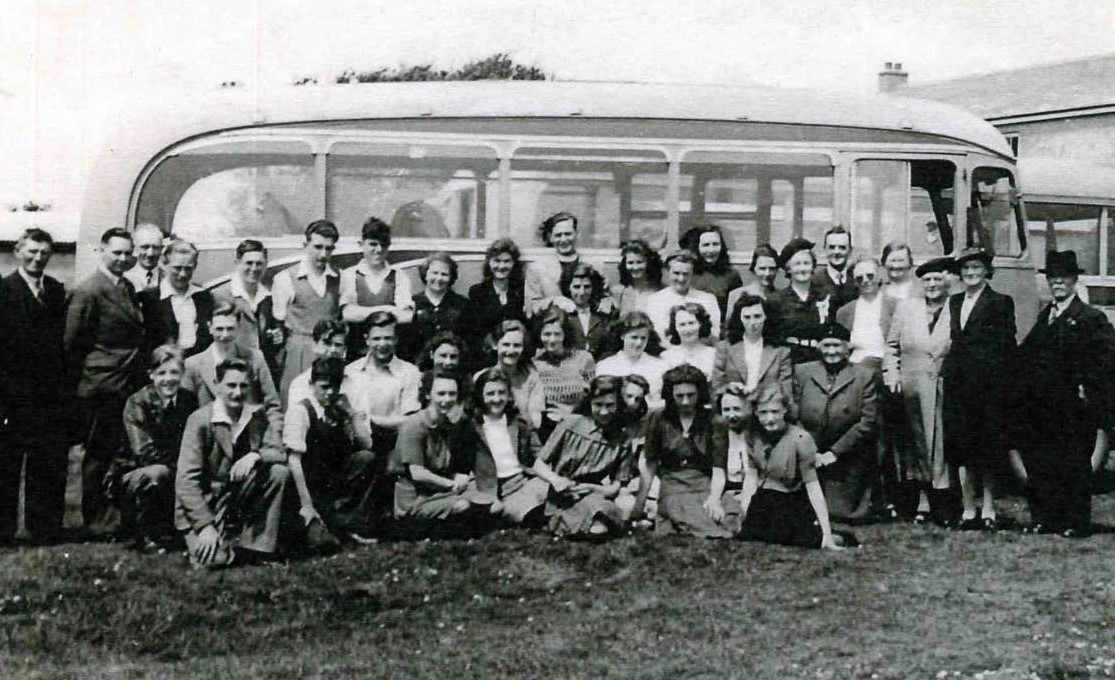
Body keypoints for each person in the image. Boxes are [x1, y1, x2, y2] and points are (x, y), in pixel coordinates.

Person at [1011, 250, 1115, 538]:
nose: (1057, 283)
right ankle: (1045, 519)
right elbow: (1026, 355)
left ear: (1074, 280)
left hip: (1073, 405)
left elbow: (1105, 359)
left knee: (1073, 464)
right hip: (1042, 405)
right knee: (1043, 462)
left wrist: (1088, 389)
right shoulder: (1046, 316)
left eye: (1063, 278)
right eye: (1052, 278)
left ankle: (1076, 522)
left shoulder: (1090, 317)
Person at [65, 227, 146, 536]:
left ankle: (118, 516)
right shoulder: (88, 290)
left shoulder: (125, 286)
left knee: (121, 453)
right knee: (99, 455)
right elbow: (72, 344)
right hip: (101, 385)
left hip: (126, 382)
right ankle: (96, 520)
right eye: (117, 252)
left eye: (128, 253)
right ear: (102, 251)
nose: (123, 258)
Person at [175, 358, 290, 568]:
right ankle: (226, 545)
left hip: (236, 498)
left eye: (243, 386)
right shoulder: (200, 420)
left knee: (278, 472)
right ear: (217, 385)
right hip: (206, 503)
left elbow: (279, 452)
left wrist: (256, 455)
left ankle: (257, 548)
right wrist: (204, 526)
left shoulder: (257, 416)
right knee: (213, 561)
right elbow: (186, 481)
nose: (237, 392)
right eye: (231, 385)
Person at [0, 228, 70, 545]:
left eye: (44, 253)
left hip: (50, 396)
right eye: (31, 251)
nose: (37, 258)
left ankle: (44, 529)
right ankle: (3, 532)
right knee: (7, 465)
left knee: (48, 462)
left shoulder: (56, 291)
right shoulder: (4, 291)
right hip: (12, 396)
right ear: (18, 251)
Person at [942, 246, 1016, 531]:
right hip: (959, 385)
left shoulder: (1000, 302)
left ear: (986, 271)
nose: (971, 273)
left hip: (987, 386)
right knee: (962, 449)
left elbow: (1007, 344)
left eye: (976, 268)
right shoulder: (955, 301)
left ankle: (988, 507)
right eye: (966, 269)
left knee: (987, 449)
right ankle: (968, 507)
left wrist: (998, 379)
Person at [885, 257, 955, 524]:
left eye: (938, 279)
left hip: (943, 386)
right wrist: (892, 374)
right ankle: (922, 500)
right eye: (927, 280)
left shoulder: (955, 307)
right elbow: (891, 347)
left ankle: (944, 500)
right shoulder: (907, 308)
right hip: (911, 388)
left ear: (946, 281)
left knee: (942, 445)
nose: (933, 285)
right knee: (916, 445)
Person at [635, 364, 740, 538]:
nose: (685, 401)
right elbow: (650, 465)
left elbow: (718, 468)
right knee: (691, 513)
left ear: (700, 393)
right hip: (673, 487)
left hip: (703, 485)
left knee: (729, 513)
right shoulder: (658, 418)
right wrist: (638, 507)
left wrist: (714, 499)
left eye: (690, 395)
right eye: (679, 396)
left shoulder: (716, 421)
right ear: (670, 395)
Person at [737, 384, 845, 550]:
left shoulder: (800, 437)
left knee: (797, 539)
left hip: (791, 499)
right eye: (763, 413)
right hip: (763, 498)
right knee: (749, 536)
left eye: (775, 412)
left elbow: (813, 486)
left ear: (785, 411)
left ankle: (834, 536)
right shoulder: (752, 435)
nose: (769, 418)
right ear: (755, 413)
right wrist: (744, 510)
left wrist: (827, 533)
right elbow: (751, 476)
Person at [284, 357, 376, 551]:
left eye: (335, 386)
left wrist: (351, 413)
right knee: (324, 545)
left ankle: (347, 525)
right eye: (324, 387)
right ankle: (317, 526)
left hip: (331, 486)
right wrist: (306, 504)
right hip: (306, 488)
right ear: (311, 384)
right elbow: (294, 461)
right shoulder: (301, 411)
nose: (330, 392)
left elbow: (367, 444)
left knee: (366, 458)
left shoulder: (338, 408)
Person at [836, 256, 901, 520]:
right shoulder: (845, 311)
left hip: (884, 377)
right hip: (855, 378)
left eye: (870, 276)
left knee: (884, 441)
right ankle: (857, 499)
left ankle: (887, 499)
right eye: (859, 278)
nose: (865, 282)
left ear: (880, 276)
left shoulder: (895, 306)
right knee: (859, 438)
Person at [530, 376, 636, 538]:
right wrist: (557, 481)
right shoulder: (571, 424)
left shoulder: (622, 437)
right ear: (589, 403)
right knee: (597, 528)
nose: (604, 412)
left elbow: (617, 485)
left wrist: (593, 488)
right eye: (598, 405)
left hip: (595, 493)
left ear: (619, 405)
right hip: (563, 493)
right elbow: (539, 465)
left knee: (603, 520)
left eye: (610, 405)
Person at [793, 323, 879, 521]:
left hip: (847, 452)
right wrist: (808, 448)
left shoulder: (864, 375)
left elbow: (868, 421)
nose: (831, 352)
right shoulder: (802, 372)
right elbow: (794, 414)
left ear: (847, 347)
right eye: (826, 346)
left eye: (837, 346)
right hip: (810, 449)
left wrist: (834, 453)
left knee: (841, 512)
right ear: (819, 347)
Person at [120, 345, 199, 550]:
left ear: (182, 373)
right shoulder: (137, 402)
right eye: (162, 373)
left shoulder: (188, 400)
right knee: (156, 474)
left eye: (174, 372)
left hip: (176, 468)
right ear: (151, 375)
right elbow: (144, 452)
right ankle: (147, 535)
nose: (168, 379)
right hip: (136, 471)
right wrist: (181, 468)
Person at [393, 371, 480, 521]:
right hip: (417, 498)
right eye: (441, 393)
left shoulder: (449, 425)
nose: (447, 399)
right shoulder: (413, 425)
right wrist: (451, 484)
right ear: (427, 395)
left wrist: (461, 477)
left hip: (442, 490)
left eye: (452, 394)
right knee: (465, 505)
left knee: (487, 497)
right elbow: (417, 473)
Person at [272, 220, 342, 403]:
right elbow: (278, 321)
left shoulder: (340, 277)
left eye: (329, 248)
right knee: (296, 404)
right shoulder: (285, 278)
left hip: (330, 352)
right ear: (305, 245)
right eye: (317, 247)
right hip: (299, 353)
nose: (323, 254)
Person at [182, 302, 283, 427]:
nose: (225, 335)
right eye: (219, 329)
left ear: (239, 327)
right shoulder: (193, 365)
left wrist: (273, 440)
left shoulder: (255, 358)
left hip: (250, 436)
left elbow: (273, 405)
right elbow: (186, 413)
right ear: (209, 327)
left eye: (230, 329)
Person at [470, 367, 549, 524]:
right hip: (491, 486)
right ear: (480, 396)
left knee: (556, 494)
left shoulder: (519, 421)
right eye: (490, 394)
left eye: (501, 393)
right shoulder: (471, 426)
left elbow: (538, 454)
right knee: (530, 515)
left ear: (509, 394)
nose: (497, 399)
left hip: (522, 480)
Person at [341, 310, 422, 459]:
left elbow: (411, 420)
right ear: (367, 340)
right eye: (376, 338)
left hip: (393, 446)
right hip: (354, 446)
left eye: (388, 338)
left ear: (396, 339)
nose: (382, 344)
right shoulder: (350, 371)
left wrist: (372, 421)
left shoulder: (409, 372)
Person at [340, 217, 416, 359]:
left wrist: (362, 312)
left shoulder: (399, 276)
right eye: (373, 244)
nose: (379, 250)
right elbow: (348, 314)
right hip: (356, 353)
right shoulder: (349, 275)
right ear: (361, 244)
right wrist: (388, 309)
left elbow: (406, 316)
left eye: (384, 244)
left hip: (389, 353)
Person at [524, 211, 613, 318]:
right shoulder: (537, 269)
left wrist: (607, 302)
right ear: (551, 237)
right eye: (558, 235)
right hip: (553, 328)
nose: (563, 239)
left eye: (568, 234)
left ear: (576, 234)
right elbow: (530, 308)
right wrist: (554, 300)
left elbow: (606, 297)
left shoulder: (595, 265)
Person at [138, 239, 216, 358]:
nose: (183, 274)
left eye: (188, 268)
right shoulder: (148, 299)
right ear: (164, 265)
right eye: (177, 268)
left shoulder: (203, 297)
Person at [223, 239, 284, 385]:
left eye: (259, 264)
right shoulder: (221, 295)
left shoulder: (268, 297)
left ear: (266, 265)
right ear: (237, 263)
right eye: (249, 263)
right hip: (231, 373)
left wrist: (277, 336)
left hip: (262, 373)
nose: (254, 268)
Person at [712, 292, 792, 401]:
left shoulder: (781, 351)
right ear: (739, 319)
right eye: (747, 317)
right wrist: (730, 388)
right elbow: (716, 387)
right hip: (735, 407)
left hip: (768, 408)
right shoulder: (724, 348)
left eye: (757, 316)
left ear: (766, 317)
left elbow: (785, 391)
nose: (752, 322)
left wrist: (758, 394)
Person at [531, 308, 596, 441]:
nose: (552, 339)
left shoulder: (584, 359)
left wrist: (570, 416)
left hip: (579, 427)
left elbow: (593, 397)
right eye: (547, 334)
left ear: (565, 335)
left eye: (557, 334)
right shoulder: (535, 363)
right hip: (547, 429)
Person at [464, 239, 528, 369]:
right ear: (489, 263)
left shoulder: (522, 290)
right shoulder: (478, 291)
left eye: (507, 261)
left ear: (514, 264)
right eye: (497, 261)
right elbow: (474, 331)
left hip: (517, 355)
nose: (501, 266)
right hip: (487, 358)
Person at [767, 238, 831, 365]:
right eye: (797, 264)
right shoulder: (776, 300)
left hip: (819, 360)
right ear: (788, 269)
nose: (802, 269)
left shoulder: (825, 297)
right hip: (788, 361)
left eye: (806, 263)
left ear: (813, 266)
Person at [401, 251, 467, 362]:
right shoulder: (411, 303)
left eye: (444, 274)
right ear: (425, 274)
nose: (439, 278)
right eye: (434, 273)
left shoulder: (463, 304)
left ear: (451, 277)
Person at [480, 319, 545, 429]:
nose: (511, 351)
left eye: (517, 345)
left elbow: (536, 421)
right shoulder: (482, 377)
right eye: (506, 345)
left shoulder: (531, 378)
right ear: (495, 345)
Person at [596, 311, 668, 410]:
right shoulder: (605, 366)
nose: (639, 343)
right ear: (622, 336)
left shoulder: (660, 366)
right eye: (634, 337)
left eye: (643, 338)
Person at [286, 319, 350, 409]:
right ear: (314, 345)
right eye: (327, 343)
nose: (332, 350)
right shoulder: (300, 384)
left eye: (338, 345)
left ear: (345, 349)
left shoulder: (356, 381)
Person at [681, 224, 742, 317]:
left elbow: (736, 310)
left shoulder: (731, 275)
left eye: (715, 244)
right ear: (697, 247)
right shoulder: (686, 274)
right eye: (706, 245)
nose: (711, 250)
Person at [558, 262, 614, 357]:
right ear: (568, 288)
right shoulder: (561, 311)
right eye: (576, 287)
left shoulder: (603, 311)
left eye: (587, 287)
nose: (582, 292)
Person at [723, 243, 780, 335]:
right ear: (754, 269)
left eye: (772, 269)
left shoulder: (781, 296)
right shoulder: (736, 294)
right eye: (762, 268)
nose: (767, 273)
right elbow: (729, 329)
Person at [660, 302, 717, 381]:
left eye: (691, 323)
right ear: (675, 328)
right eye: (682, 325)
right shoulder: (667, 356)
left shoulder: (714, 355)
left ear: (701, 324)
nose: (687, 329)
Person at [812, 226, 857, 312]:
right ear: (825, 249)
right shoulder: (814, 281)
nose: (836, 252)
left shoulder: (857, 280)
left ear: (850, 250)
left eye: (842, 247)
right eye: (832, 247)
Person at [613, 239, 663, 316]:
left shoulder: (660, 291)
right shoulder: (619, 292)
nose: (635, 267)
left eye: (639, 262)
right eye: (630, 263)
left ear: (649, 263)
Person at [123, 223, 165, 291]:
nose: (150, 253)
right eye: (145, 247)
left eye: (155, 248)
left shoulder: (170, 278)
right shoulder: (125, 279)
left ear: (161, 249)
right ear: (134, 249)